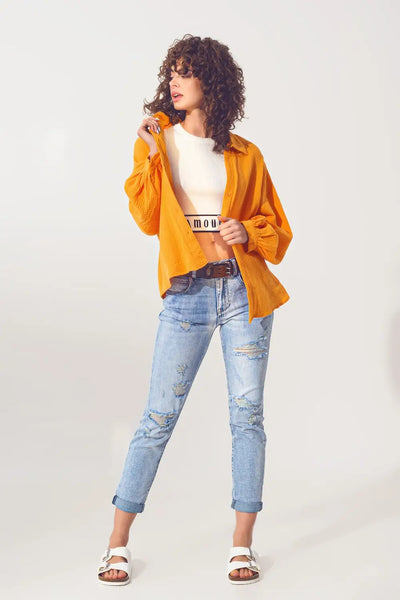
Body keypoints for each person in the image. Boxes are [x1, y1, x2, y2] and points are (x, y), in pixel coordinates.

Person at [97, 34, 293, 586]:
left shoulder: (246, 154)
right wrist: (150, 153)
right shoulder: (159, 141)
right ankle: (116, 543)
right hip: (187, 295)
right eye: (172, 72)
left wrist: (245, 230)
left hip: (243, 295)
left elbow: (276, 228)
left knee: (247, 418)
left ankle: (242, 545)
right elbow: (146, 218)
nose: (175, 81)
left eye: (187, 72)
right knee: (157, 418)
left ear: (213, 80)